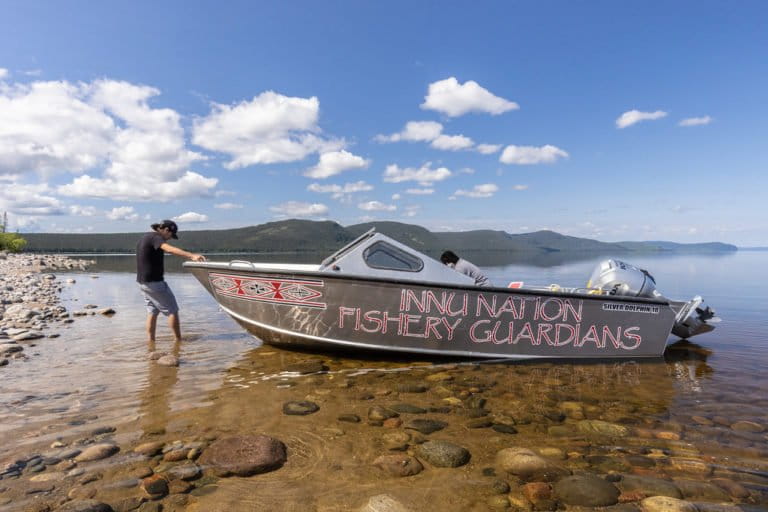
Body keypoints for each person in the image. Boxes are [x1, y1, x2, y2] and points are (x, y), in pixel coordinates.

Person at [136, 220, 206, 343]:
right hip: (154, 283)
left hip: (143, 283)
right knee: (173, 311)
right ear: (166, 230)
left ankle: (151, 342)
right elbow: (168, 249)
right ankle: (178, 341)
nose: (169, 239)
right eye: (170, 235)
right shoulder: (156, 237)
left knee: (152, 312)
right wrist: (191, 256)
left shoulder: (145, 237)